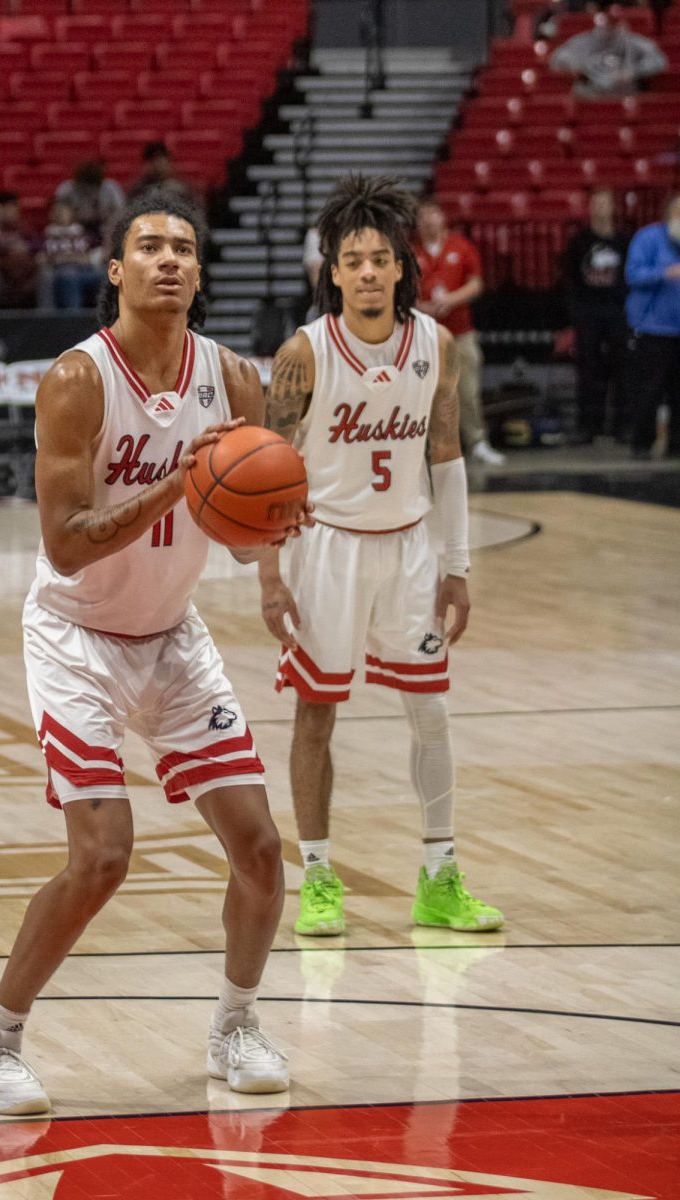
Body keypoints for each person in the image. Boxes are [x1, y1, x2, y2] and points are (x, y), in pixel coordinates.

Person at [0, 190, 301, 1116]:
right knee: (103, 855)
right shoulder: (76, 379)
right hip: (75, 637)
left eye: (184, 247)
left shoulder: (232, 378)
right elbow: (66, 542)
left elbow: (238, 528)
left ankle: (235, 1023)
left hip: (172, 638)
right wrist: (181, 482)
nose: (169, 260)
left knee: (262, 850)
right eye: (148, 247)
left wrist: (270, 544)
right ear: (115, 270)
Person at [258, 174, 504, 938]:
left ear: (402, 265)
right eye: (352, 260)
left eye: (379, 259)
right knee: (316, 714)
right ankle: (320, 874)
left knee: (430, 712)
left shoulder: (433, 345)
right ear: (331, 271)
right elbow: (265, 467)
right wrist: (269, 576)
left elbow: (446, 458)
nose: (367, 272)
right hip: (323, 549)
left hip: (408, 550)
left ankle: (438, 875)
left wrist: (456, 564)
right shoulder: (302, 353)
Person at [414, 198, 504, 466]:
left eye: (433, 213)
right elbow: (399, 291)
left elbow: (475, 284)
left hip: (460, 331)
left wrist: (450, 300)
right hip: (423, 333)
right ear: (417, 222)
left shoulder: (460, 247)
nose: (429, 220)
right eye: (423, 215)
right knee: (423, 391)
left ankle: (477, 442)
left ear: (443, 218)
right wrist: (421, 306)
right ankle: (425, 446)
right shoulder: (409, 252)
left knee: (467, 390)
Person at [561, 188, 630, 442]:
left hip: (617, 312)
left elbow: (629, 277)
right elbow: (570, 278)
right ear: (590, 209)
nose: (601, 209)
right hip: (588, 313)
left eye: (605, 204)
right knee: (588, 371)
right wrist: (576, 312)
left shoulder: (624, 240)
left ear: (613, 208)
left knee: (622, 370)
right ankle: (588, 426)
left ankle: (622, 426)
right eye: (596, 204)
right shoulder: (580, 241)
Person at [625, 193, 680, 458]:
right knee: (651, 389)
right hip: (653, 329)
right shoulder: (648, 238)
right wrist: (663, 273)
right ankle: (641, 442)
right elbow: (633, 274)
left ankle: (676, 445)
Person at [550, 8, 667, 96]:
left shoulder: (635, 42)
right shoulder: (583, 41)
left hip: (626, 93)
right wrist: (573, 66)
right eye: (606, 25)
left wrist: (634, 72)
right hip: (591, 93)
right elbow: (557, 59)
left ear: (622, 25)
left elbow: (659, 61)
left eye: (613, 25)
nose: (608, 30)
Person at [0, 191, 46, 310]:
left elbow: (40, 248)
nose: (8, 212)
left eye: (12, 208)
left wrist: (28, 249)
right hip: (1, 276)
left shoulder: (26, 229)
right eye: (4, 209)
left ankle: (47, 318)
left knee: (46, 270)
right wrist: (5, 252)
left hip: (27, 276)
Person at [38, 198, 103, 310]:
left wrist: (66, 258)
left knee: (110, 276)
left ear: (71, 213)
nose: (60, 214)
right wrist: (69, 259)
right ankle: (73, 321)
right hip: (59, 272)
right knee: (69, 277)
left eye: (63, 211)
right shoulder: (44, 234)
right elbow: (41, 257)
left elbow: (92, 256)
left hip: (86, 270)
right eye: (56, 211)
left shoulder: (82, 233)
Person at [54, 159, 125, 247]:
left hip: (103, 228)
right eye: (85, 187)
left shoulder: (111, 190)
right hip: (77, 229)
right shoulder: (67, 189)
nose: (88, 191)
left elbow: (120, 214)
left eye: (92, 187)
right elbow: (59, 216)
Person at [126, 141, 196, 206]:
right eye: (152, 160)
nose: (157, 165)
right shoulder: (137, 191)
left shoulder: (183, 190)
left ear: (169, 161)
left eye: (160, 160)